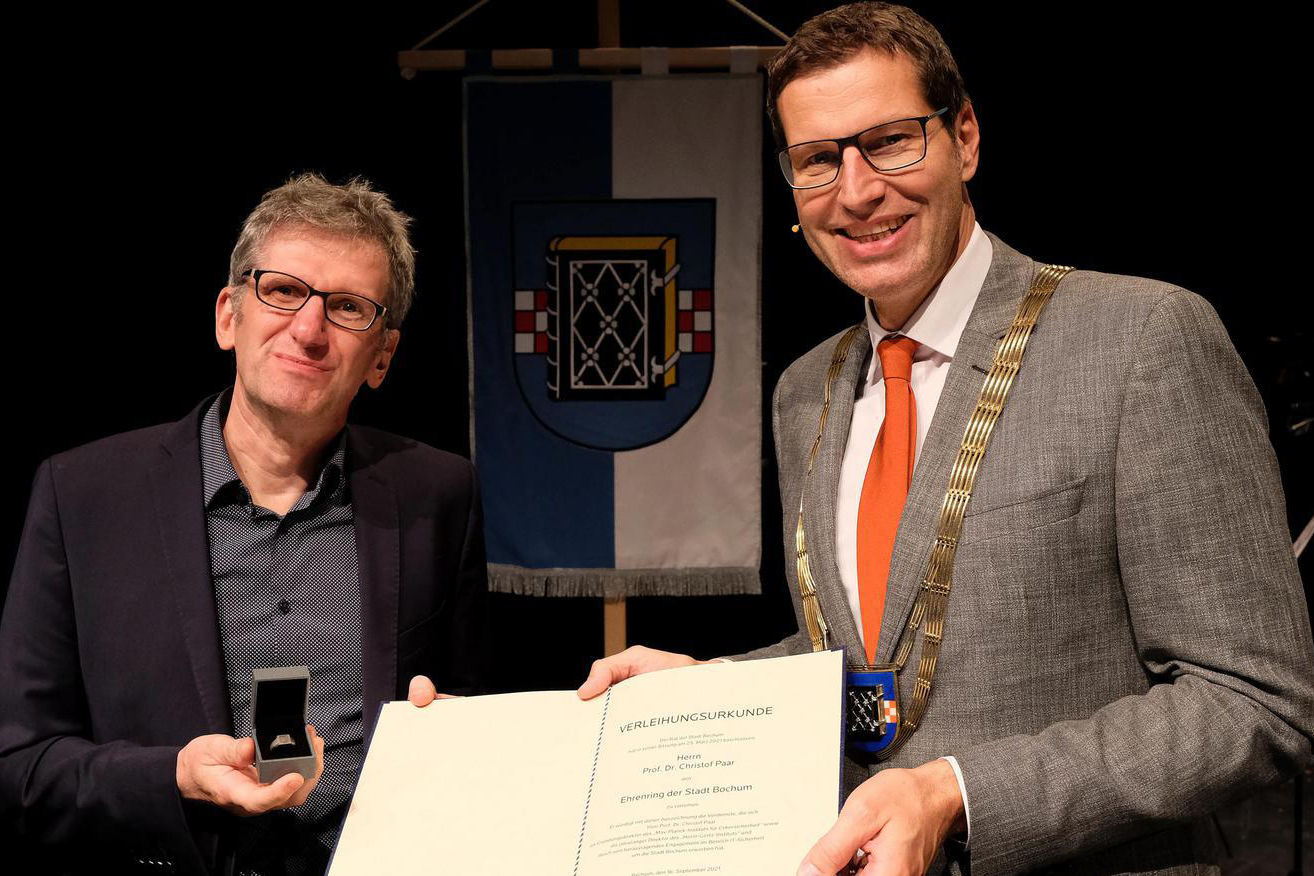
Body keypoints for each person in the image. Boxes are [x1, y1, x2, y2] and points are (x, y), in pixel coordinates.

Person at [576, 4, 1314, 874]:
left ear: (964, 138)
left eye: (890, 140)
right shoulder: (804, 392)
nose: (855, 191)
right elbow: (869, 663)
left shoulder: (1142, 338)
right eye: (818, 161)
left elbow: (1254, 702)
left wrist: (960, 792)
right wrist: (712, 693)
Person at [0, 173, 488, 875]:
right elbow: (20, 766)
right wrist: (175, 775)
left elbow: (472, 728)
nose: (310, 328)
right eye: (284, 291)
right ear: (229, 315)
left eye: (348, 307)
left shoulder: (439, 494)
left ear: (382, 357)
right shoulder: (83, 496)